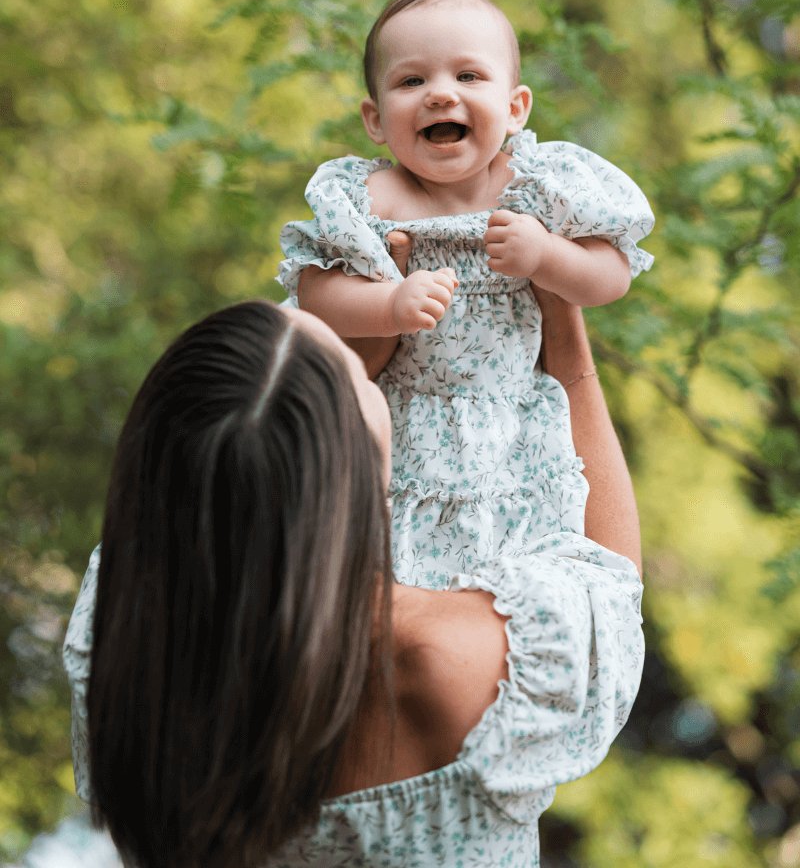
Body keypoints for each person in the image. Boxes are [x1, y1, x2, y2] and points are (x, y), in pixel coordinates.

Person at [63, 294, 644, 868]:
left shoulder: (113, 642)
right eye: (359, 373)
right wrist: (569, 346)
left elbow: (246, 467)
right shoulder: (449, 660)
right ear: (358, 471)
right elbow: (612, 584)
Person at [279, 0, 655, 588]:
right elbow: (312, 290)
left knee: (517, 561)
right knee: (395, 560)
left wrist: (547, 255)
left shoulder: (539, 187)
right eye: (411, 82)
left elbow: (611, 275)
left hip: (513, 428)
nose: (441, 94)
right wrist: (388, 303)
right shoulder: (372, 198)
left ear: (515, 108)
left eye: (470, 76)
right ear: (375, 120)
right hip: (399, 424)